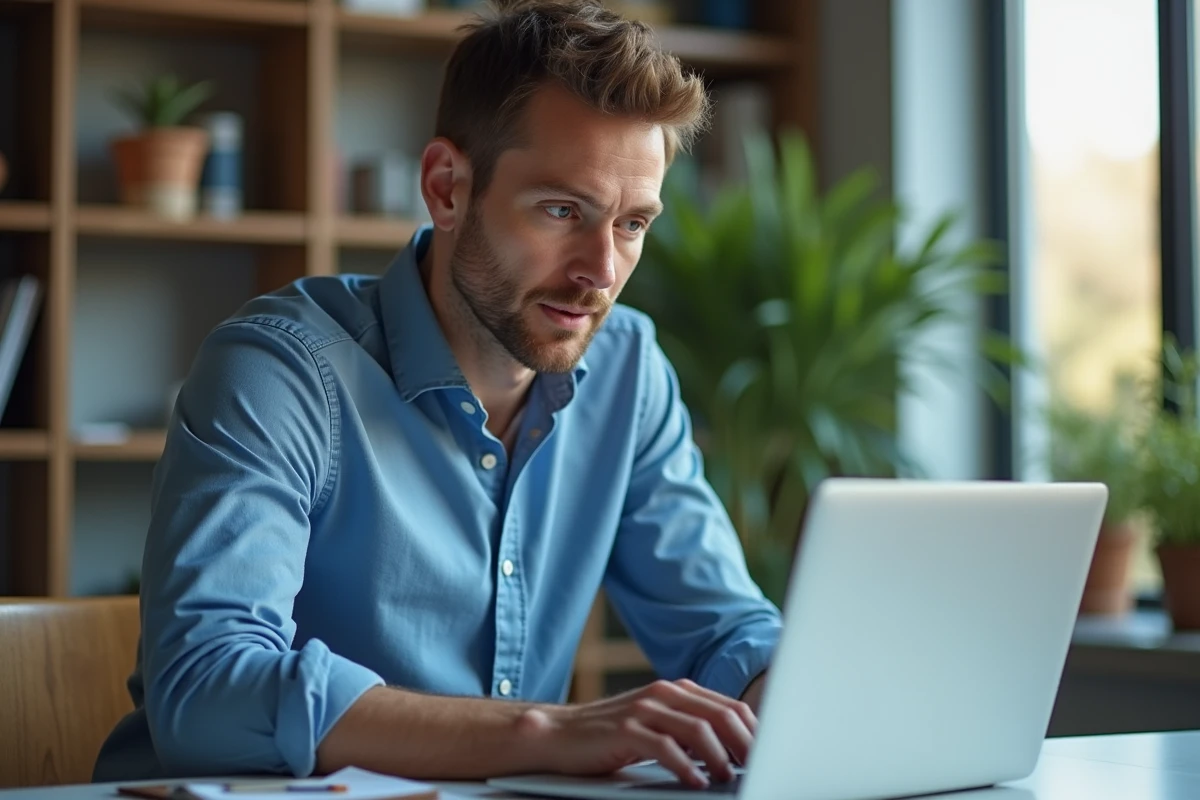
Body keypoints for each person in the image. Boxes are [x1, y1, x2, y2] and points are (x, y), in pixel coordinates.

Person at [94, 0, 782, 789]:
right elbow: (208, 693)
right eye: (563, 211)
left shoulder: (630, 372)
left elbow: (724, 628)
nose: (602, 270)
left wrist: (786, 697)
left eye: (632, 224)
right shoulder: (278, 372)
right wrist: (544, 733)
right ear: (447, 187)